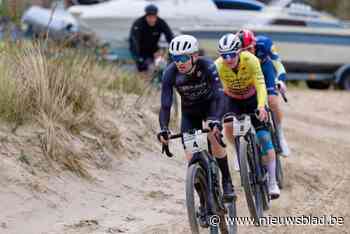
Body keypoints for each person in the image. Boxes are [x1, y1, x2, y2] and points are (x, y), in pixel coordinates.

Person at [157, 35, 235, 199]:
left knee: (214, 138)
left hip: (211, 107)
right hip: (190, 112)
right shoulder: (170, 73)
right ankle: (204, 201)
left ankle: (227, 181)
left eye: (183, 58)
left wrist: (216, 120)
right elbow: (165, 105)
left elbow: (220, 94)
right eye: (175, 58)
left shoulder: (207, 65)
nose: (179, 62)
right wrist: (163, 129)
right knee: (192, 157)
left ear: (194, 56)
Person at [215, 33, 280, 198]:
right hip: (233, 99)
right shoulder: (218, 66)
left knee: (264, 138)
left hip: (252, 99)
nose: (228, 59)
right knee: (228, 125)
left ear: (238, 52)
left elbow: (260, 84)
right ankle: (239, 151)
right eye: (224, 56)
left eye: (231, 55)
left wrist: (261, 106)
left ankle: (272, 182)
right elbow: (216, 92)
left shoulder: (250, 60)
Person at [237, 29, 290, 157]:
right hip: (248, 75)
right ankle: (241, 147)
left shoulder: (265, 44)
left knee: (272, 100)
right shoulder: (235, 55)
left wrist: (281, 81)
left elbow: (278, 65)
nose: (248, 53)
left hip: (265, 72)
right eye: (244, 51)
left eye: (250, 49)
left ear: (255, 44)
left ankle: (279, 134)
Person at [129, 4, 174, 72]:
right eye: (149, 17)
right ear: (146, 16)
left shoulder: (161, 22)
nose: (151, 20)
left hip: (154, 50)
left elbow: (170, 37)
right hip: (141, 51)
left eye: (153, 17)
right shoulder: (138, 24)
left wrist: (172, 53)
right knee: (143, 68)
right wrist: (138, 58)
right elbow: (134, 42)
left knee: (160, 66)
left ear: (156, 16)